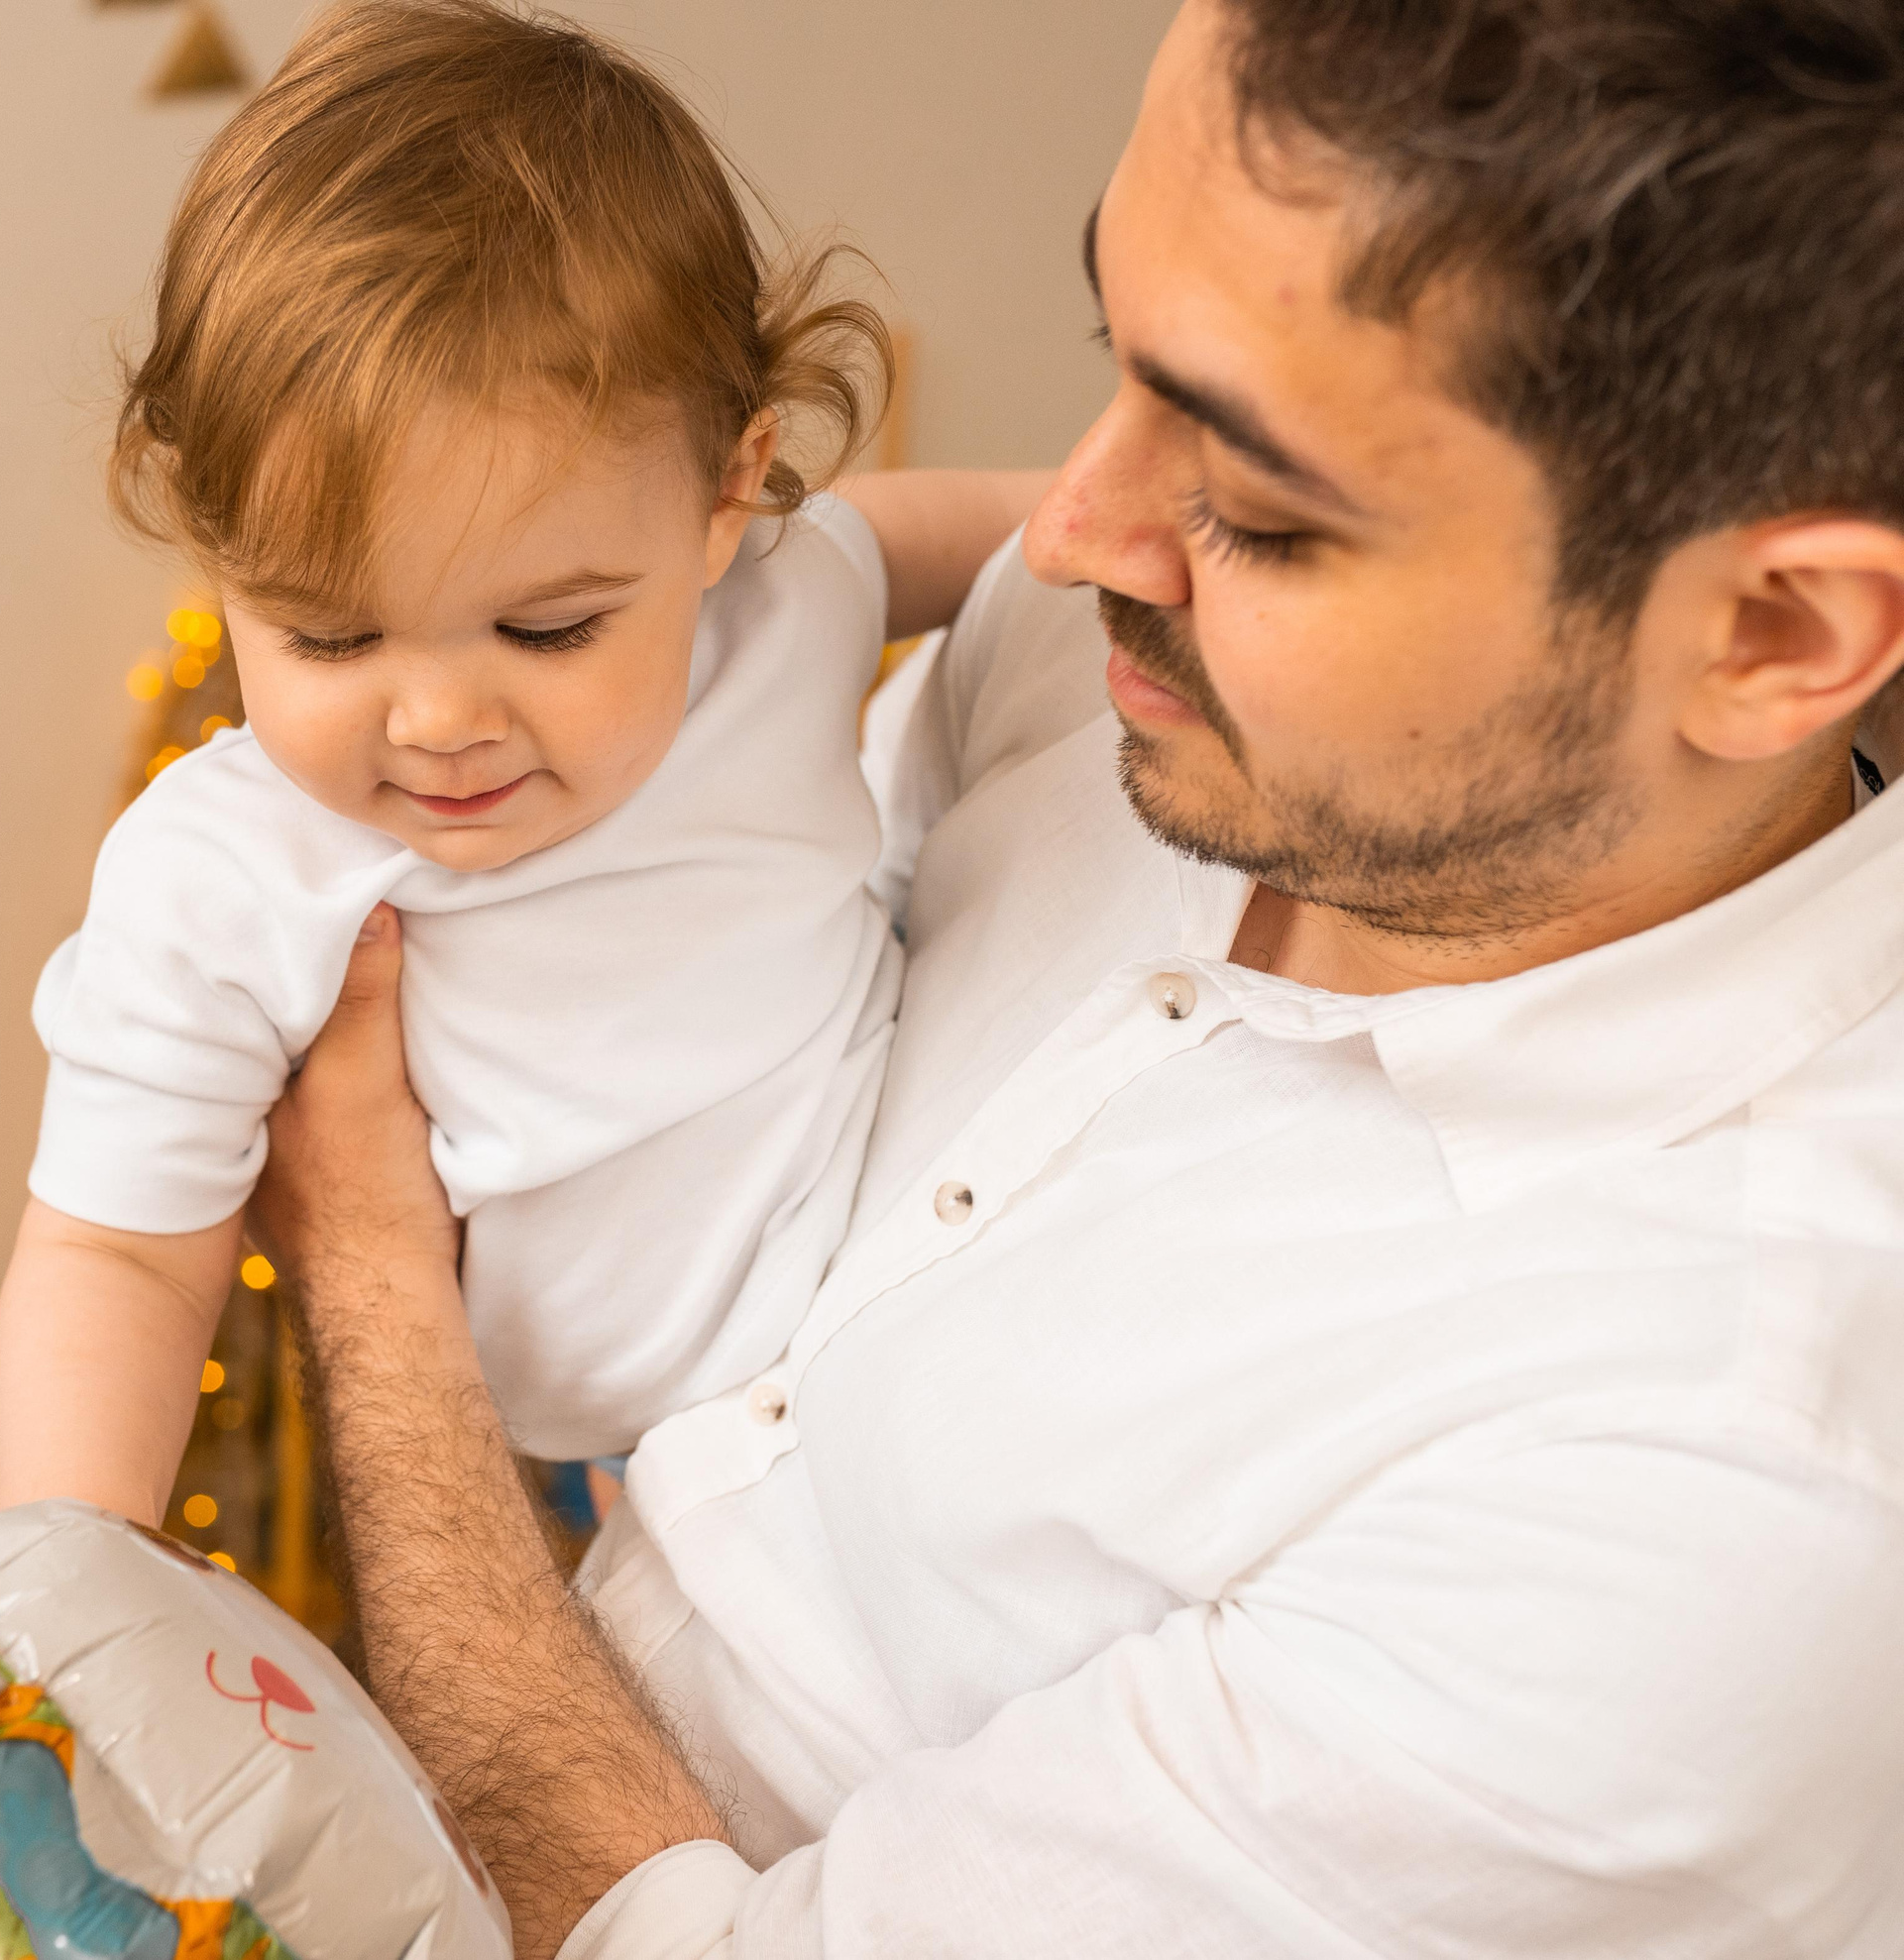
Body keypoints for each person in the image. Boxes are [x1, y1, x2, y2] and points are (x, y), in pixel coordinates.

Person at [243, 1, 1904, 1954]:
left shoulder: (1705, 1504)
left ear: (1772, 632)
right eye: (1113, 348)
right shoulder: (1151, 678)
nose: (1063, 528)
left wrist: (368, 1274)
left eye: (1265, 516)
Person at [0, 0, 1047, 1518]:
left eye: (547, 630)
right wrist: (69, 1574)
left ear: (724, 497)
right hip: (644, 1466)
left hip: (930, 1279)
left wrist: (1137, 509)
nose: (436, 723)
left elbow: (961, 532)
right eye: (334, 640)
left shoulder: (782, 605)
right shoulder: (219, 881)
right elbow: (114, 1251)